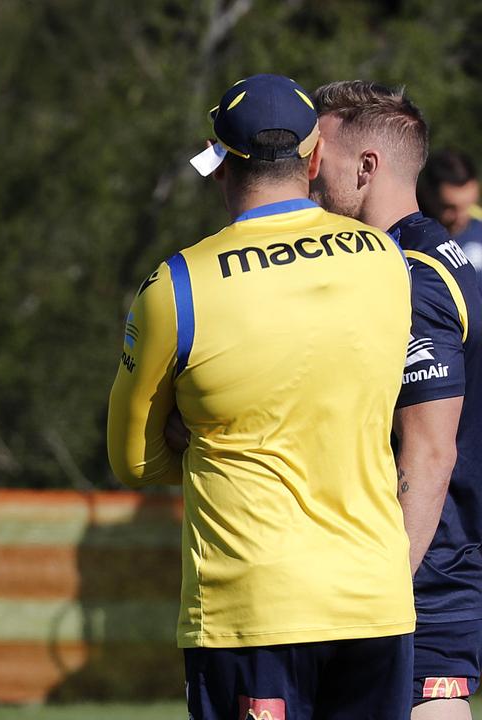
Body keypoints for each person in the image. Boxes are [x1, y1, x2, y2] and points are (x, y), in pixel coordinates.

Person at [107, 74, 415, 719]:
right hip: (375, 599)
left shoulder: (176, 285)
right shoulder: (387, 258)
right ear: (313, 159)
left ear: (216, 160)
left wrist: (201, 445)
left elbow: (133, 460)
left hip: (252, 605)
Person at [312, 80, 482, 719]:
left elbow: (431, 450)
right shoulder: (418, 256)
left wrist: (386, 593)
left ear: (366, 166)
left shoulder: (409, 275)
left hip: (421, 575)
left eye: (318, 159)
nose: (306, 176)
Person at [418, 149, 482, 279]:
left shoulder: (479, 226)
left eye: (468, 205)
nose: (461, 217)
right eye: (449, 208)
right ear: (428, 195)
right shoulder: (408, 236)